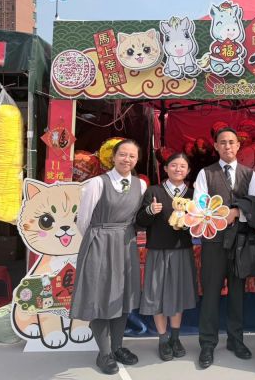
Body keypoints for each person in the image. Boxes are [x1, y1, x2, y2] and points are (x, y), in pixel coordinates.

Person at [71, 139, 147, 375]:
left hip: (126, 243)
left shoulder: (141, 185)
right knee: (100, 297)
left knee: (122, 297)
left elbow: (138, 217)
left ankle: (117, 347)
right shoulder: (96, 183)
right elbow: (83, 220)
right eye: (122, 154)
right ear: (112, 157)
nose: (127, 159)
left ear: (137, 159)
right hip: (100, 243)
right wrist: (99, 238)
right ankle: (104, 353)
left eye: (132, 156)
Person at [194, 127, 255, 369]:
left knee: (237, 293)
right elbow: (199, 205)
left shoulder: (249, 174)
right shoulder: (205, 173)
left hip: (240, 242)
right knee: (211, 293)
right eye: (222, 142)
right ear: (215, 146)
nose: (227, 146)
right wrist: (222, 214)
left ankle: (236, 340)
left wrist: (238, 211)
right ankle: (207, 343)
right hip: (213, 242)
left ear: (238, 145)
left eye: (231, 142)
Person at [135, 153, 197, 362]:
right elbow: (140, 221)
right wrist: (150, 210)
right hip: (158, 250)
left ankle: (175, 338)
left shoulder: (193, 194)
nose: (178, 169)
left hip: (182, 250)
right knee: (157, 295)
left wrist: (192, 221)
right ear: (165, 169)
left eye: (182, 166)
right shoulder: (154, 191)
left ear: (188, 170)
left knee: (177, 294)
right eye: (174, 165)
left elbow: (199, 225)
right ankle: (163, 339)